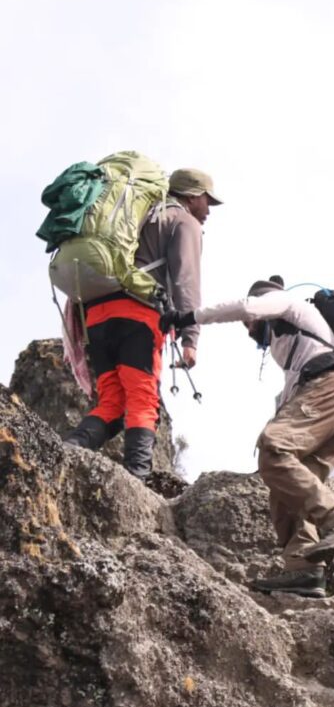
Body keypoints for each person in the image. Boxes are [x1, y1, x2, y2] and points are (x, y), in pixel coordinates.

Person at [161, 277, 334, 598]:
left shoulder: (285, 304)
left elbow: (247, 306)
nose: (248, 330)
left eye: (249, 325)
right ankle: (304, 569)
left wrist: (187, 318)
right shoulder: (294, 350)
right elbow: (290, 406)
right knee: (284, 481)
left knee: (273, 449)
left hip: (331, 388)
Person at [64, 168, 221, 479]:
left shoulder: (138, 215)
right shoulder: (182, 221)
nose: (209, 210)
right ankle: (138, 477)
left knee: (112, 400)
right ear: (192, 196)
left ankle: (70, 448)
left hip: (96, 315)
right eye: (207, 200)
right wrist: (190, 338)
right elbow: (186, 281)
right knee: (142, 397)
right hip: (138, 315)